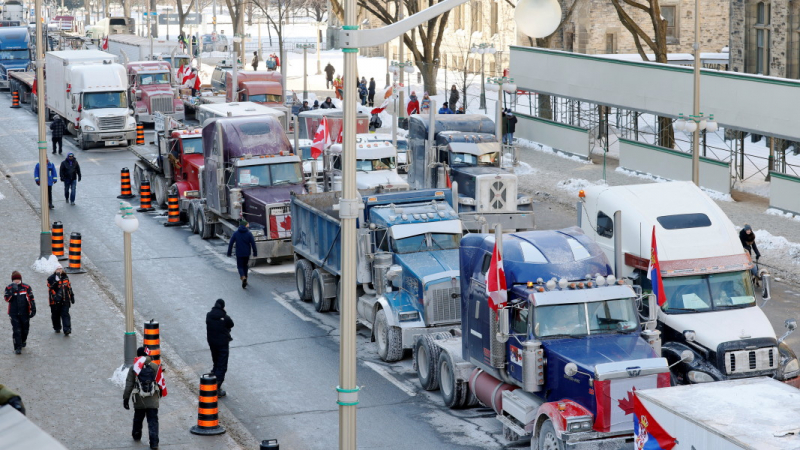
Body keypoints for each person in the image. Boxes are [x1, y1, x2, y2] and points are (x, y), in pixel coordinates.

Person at [123, 347, 161, 449]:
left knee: (138, 418)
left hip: (139, 399)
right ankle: (154, 443)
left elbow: (129, 384)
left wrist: (125, 398)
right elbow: (160, 381)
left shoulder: (135, 368)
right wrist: (159, 395)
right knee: (153, 421)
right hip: (152, 398)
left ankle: (136, 435)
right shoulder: (154, 366)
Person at [206, 299, 233, 397]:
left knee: (216, 362)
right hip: (222, 344)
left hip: (212, 343)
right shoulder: (224, 317)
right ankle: (216, 388)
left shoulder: (209, 315)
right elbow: (231, 324)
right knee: (222, 365)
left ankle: (212, 378)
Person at [4, 271, 36, 355]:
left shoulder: (26, 287)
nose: (17, 281)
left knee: (25, 329)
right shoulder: (9, 287)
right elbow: (7, 299)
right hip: (13, 313)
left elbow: (31, 298)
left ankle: (23, 340)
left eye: (18, 279)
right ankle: (17, 347)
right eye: (15, 280)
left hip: (25, 312)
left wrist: (33, 308)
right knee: (16, 330)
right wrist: (12, 292)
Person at [227, 220, 257, 288]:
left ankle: (243, 277)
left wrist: (229, 252)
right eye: (247, 224)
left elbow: (231, 243)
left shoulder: (236, 233)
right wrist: (255, 252)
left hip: (239, 253)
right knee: (245, 266)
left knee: (240, 266)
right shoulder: (249, 233)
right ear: (245, 225)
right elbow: (253, 243)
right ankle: (246, 279)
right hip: (247, 253)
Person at [47, 265, 74, 336]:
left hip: (65, 300)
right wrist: (56, 281)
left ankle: (67, 329)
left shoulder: (65, 277)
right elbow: (51, 287)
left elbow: (69, 287)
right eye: (58, 269)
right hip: (54, 301)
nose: (59, 270)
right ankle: (57, 327)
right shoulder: (51, 278)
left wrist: (72, 296)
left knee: (65, 314)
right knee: (55, 315)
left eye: (60, 269)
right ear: (55, 270)